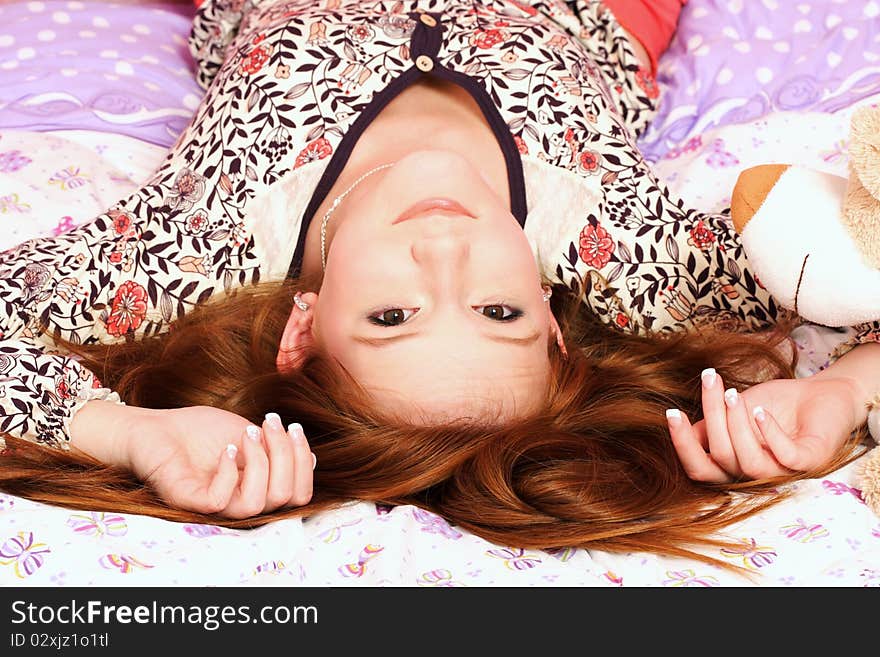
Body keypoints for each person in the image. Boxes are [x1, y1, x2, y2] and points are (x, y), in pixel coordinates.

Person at [1, 0, 878, 569]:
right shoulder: (634, 257)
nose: (446, 253)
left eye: (392, 316)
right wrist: (840, 389)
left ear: (302, 329)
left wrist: (121, 431)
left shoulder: (198, 249)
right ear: (553, 321)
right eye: (498, 311)